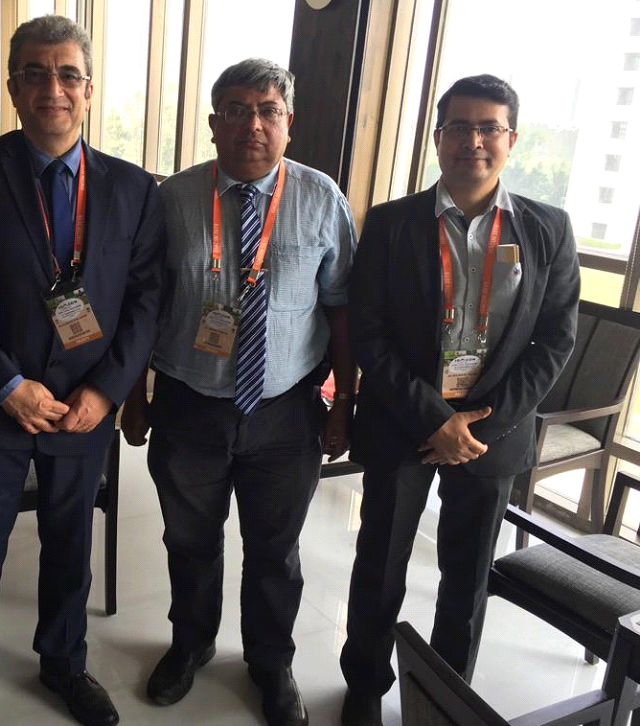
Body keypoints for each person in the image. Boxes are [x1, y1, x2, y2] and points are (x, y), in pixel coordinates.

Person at [0, 15, 163, 726]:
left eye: (67, 74)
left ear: (89, 89)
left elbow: (146, 299)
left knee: (69, 547)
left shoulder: (132, 187)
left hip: (83, 409)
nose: (52, 88)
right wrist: (6, 386)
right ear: (13, 87)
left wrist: (108, 391)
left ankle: (64, 664)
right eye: (35, 73)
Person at [121, 58, 357, 726]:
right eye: (235, 110)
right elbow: (144, 303)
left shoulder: (321, 198)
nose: (252, 124)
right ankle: (191, 643)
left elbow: (341, 307)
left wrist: (343, 401)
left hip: (286, 408)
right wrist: (134, 396)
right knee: (189, 540)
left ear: (288, 122)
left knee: (275, 551)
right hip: (188, 403)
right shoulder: (172, 199)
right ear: (212, 122)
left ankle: (270, 662)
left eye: (267, 111)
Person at [339, 74, 579, 726]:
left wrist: (478, 428)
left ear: (511, 139)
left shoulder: (548, 228)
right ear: (437, 137)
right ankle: (364, 685)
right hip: (403, 424)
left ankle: (444, 697)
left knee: (467, 580)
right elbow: (369, 332)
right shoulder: (390, 223)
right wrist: (433, 419)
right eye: (460, 127)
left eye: (488, 128)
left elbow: (554, 339)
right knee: (379, 567)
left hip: (491, 435)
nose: (474, 140)